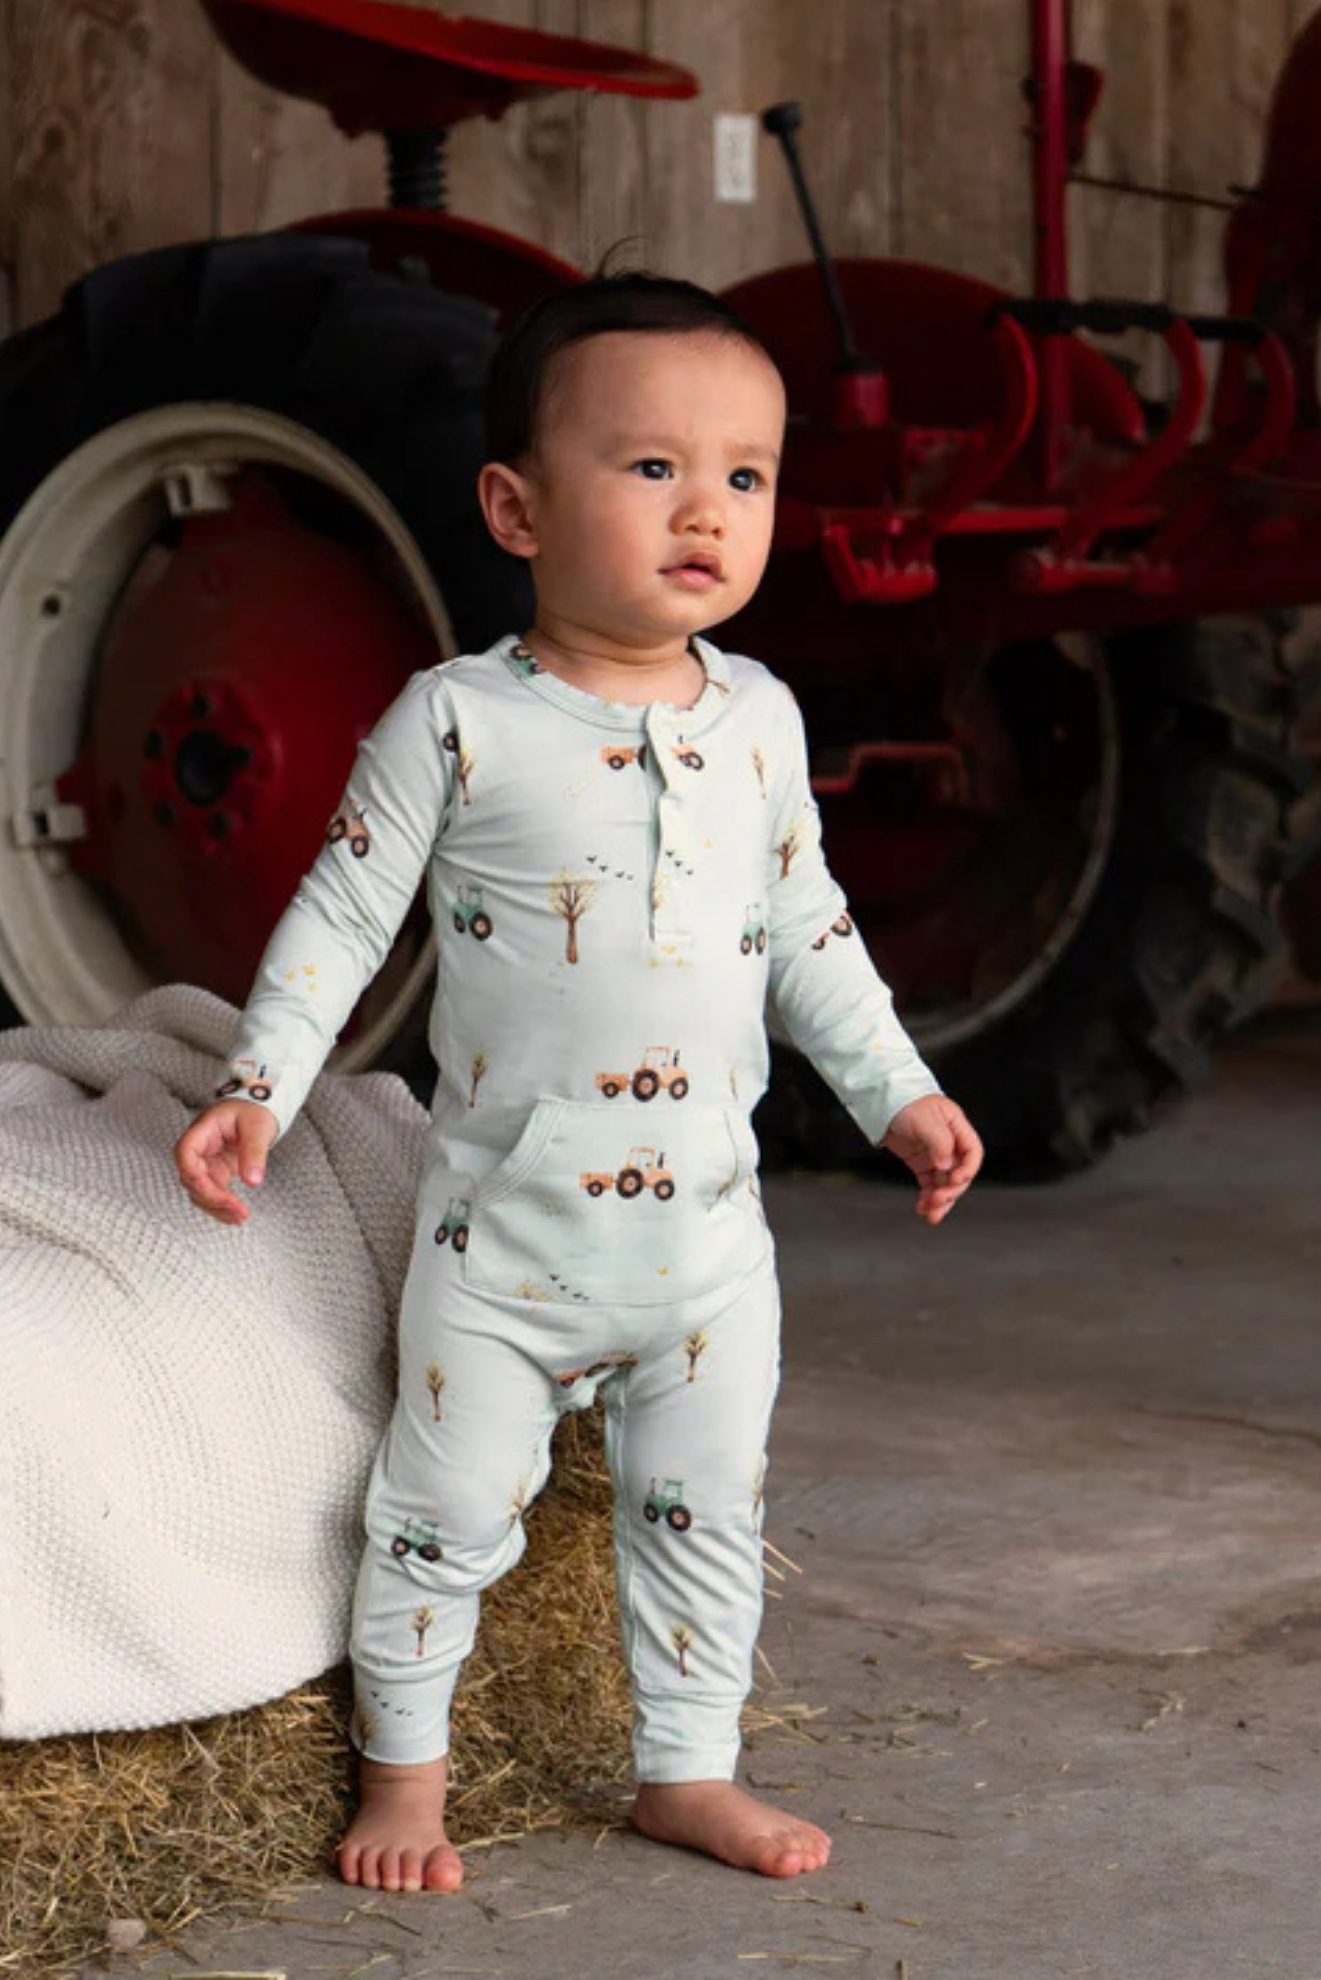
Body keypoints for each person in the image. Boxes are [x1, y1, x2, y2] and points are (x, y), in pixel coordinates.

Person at [173, 266, 984, 1895]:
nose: (707, 510)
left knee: (705, 1512)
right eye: (653, 466)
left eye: (745, 475)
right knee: (441, 1508)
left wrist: (897, 1089)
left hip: (707, 1253)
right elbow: (344, 911)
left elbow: (809, 931)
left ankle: (688, 1768)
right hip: (508, 1246)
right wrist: (261, 1083)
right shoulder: (459, 722)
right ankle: (406, 1777)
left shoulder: (761, 720)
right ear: (516, 508)